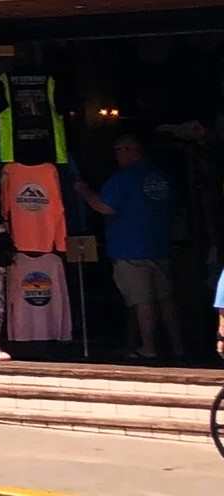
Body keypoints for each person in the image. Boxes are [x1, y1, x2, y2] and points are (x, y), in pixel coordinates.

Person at [77, 134, 184, 361]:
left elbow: (104, 207)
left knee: (141, 301)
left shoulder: (123, 179)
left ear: (131, 150)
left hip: (130, 248)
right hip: (159, 246)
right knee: (165, 299)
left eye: (118, 150)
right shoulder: (160, 177)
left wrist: (83, 191)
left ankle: (149, 348)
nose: (116, 155)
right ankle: (178, 348)